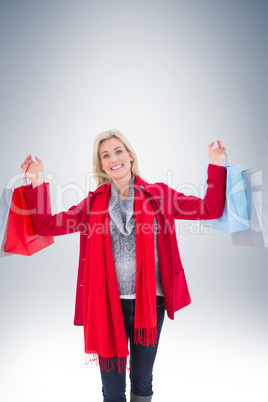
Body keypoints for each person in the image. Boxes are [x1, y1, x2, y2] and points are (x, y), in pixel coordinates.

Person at [20, 129, 227, 402]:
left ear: (129, 156)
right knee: (113, 390)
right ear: (102, 165)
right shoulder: (93, 204)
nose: (113, 158)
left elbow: (209, 209)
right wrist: (36, 181)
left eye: (118, 151)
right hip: (107, 306)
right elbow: (47, 225)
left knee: (142, 381)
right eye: (105, 155)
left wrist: (217, 164)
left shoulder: (159, 195)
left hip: (151, 304)